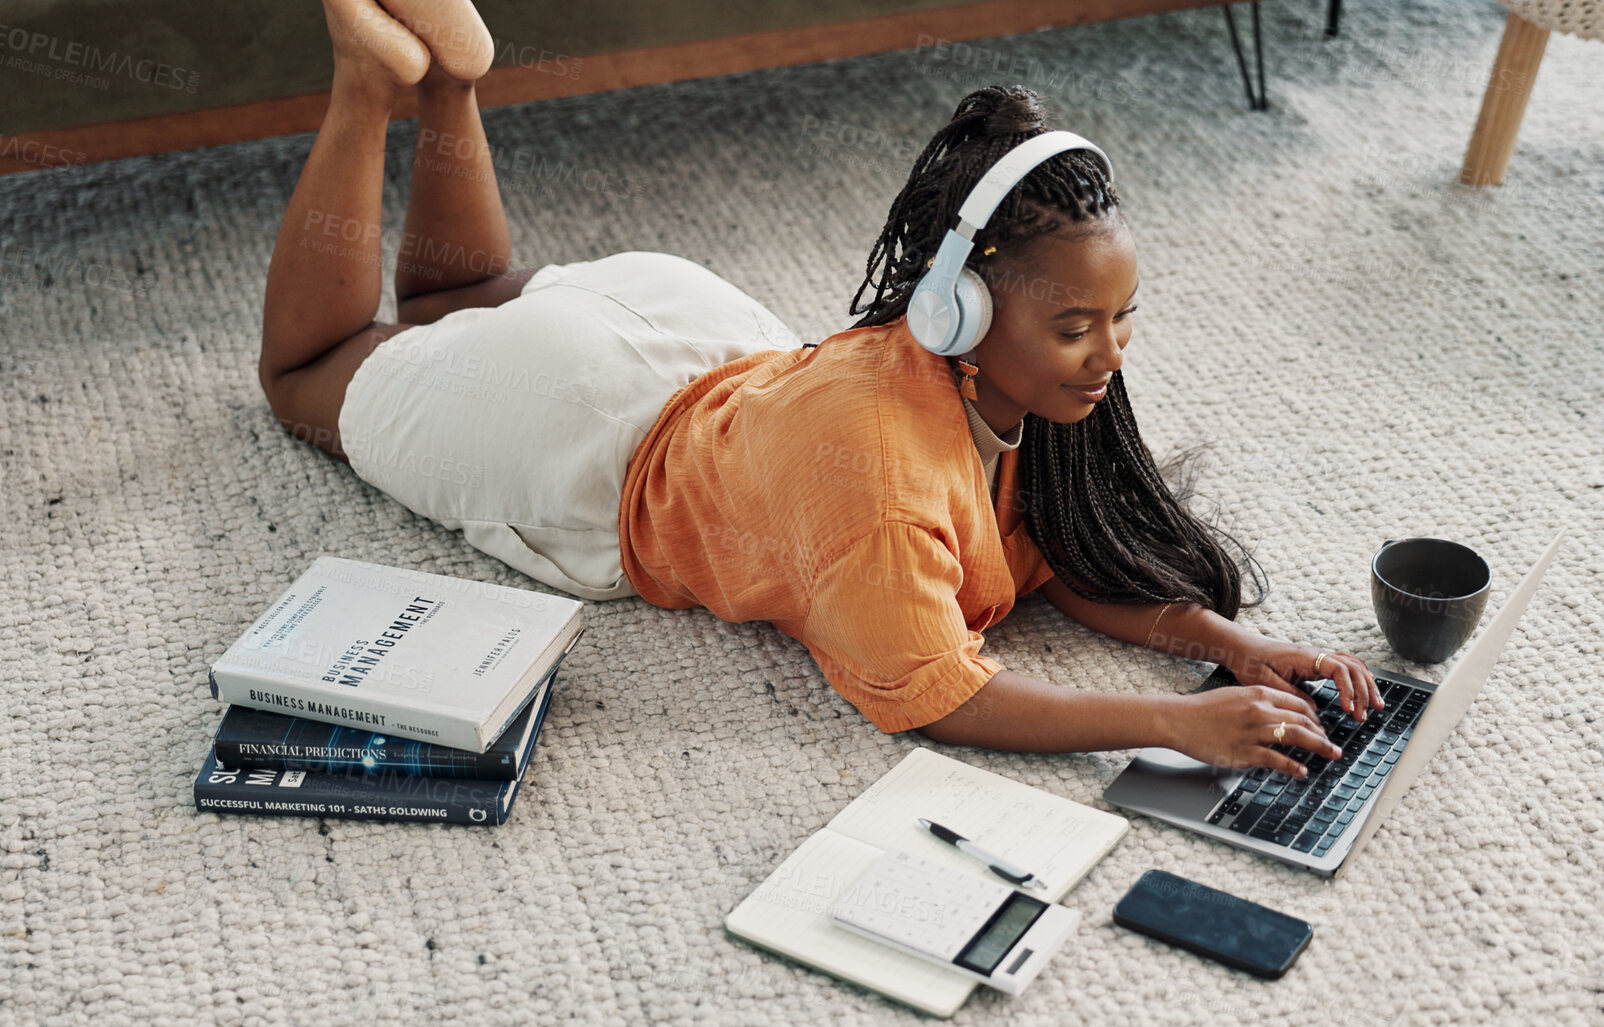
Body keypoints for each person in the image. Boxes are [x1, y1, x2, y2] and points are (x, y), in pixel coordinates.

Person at [261, 0, 1384, 775]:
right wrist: (1174, 725)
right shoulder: (884, 497)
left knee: (464, 302)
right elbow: (946, 696)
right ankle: (368, 84)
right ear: (968, 310)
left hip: (697, 340)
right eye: (1077, 325)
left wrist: (1223, 646)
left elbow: (1049, 561)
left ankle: (451, 79)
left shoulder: (1004, 388)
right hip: (576, 434)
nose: (1110, 354)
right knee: (308, 372)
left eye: (1122, 316)